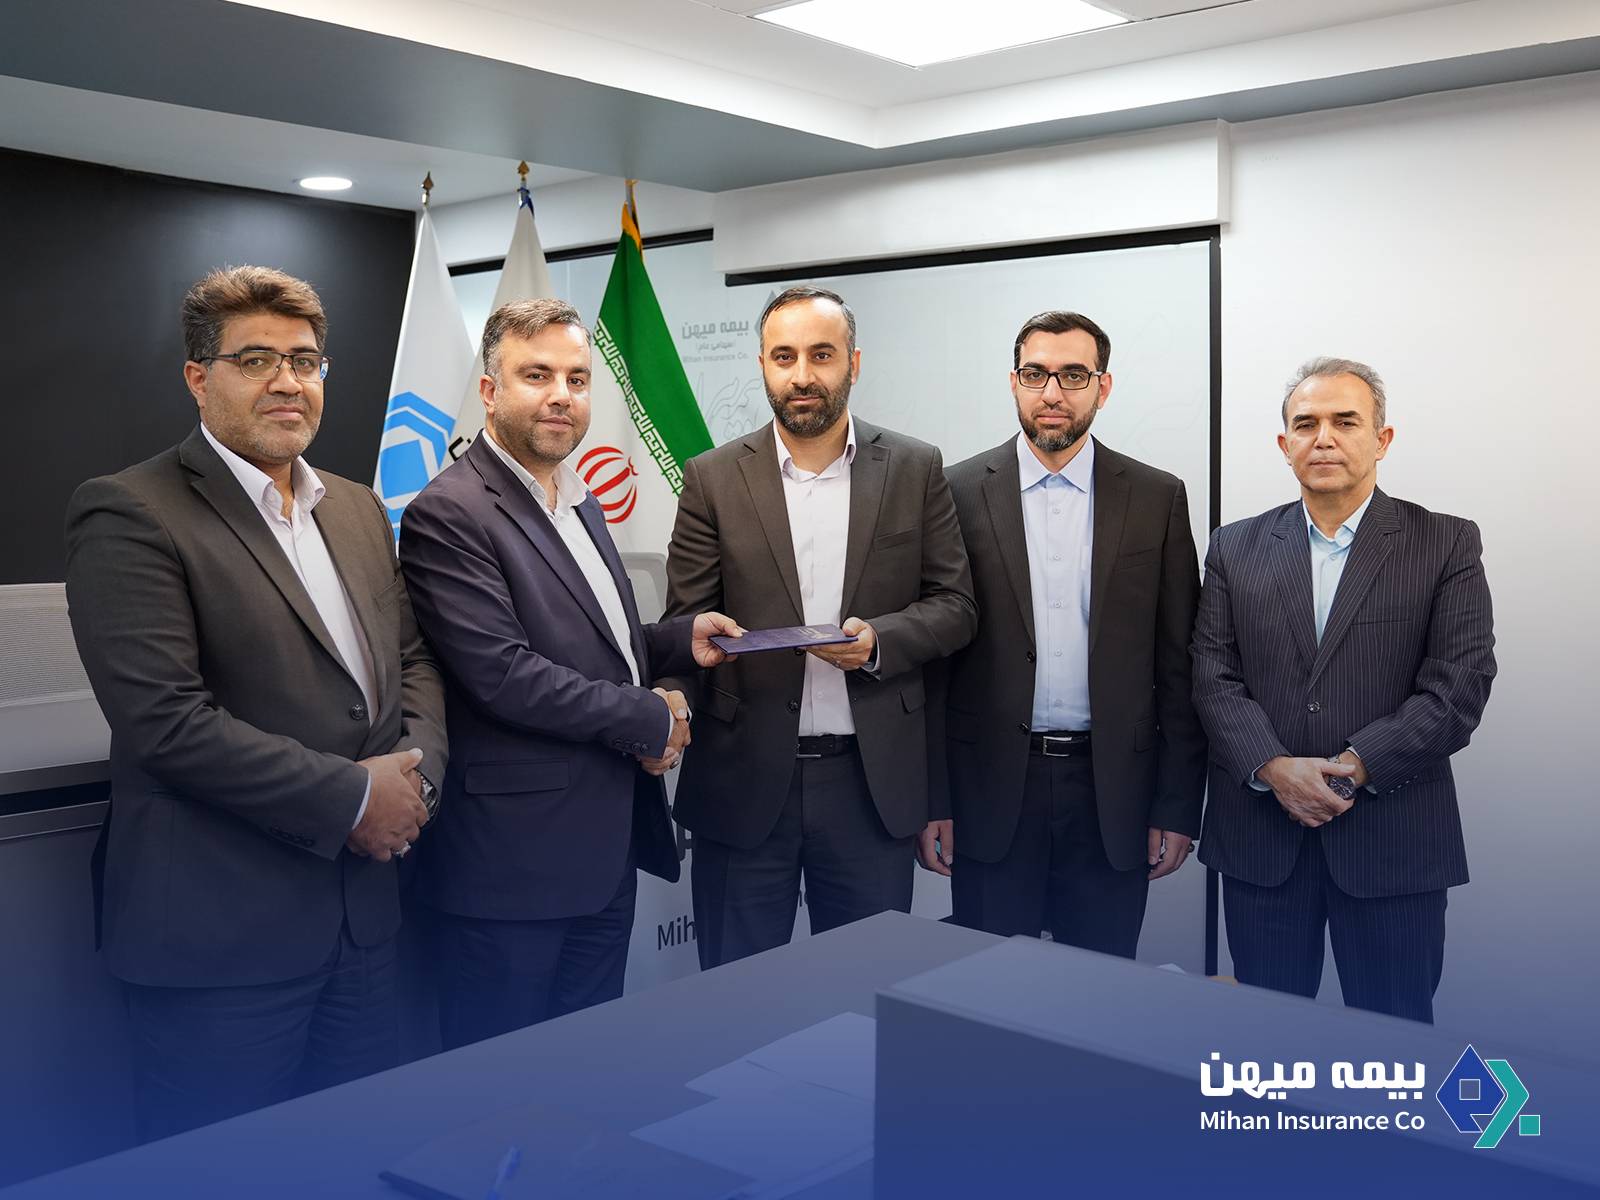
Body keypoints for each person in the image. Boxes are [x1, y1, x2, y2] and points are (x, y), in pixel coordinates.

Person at [63, 265, 448, 1140]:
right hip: (221, 943)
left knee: (360, 1156)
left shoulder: (357, 509)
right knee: (221, 1174)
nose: (287, 381)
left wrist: (416, 782)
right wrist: (353, 799)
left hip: (363, 926)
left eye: (305, 361)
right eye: (256, 360)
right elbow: (166, 723)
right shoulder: (130, 511)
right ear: (199, 379)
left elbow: (415, 660)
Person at [398, 299, 741, 1047]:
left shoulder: (580, 502)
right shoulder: (449, 513)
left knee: (583, 1071)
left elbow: (594, 645)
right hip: (510, 869)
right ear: (489, 392)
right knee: (498, 1087)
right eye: (537, 375)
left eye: (578, 379)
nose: (562, 395)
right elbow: (503, 673)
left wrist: (677, 641)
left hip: (599, 855)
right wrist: (651, 717)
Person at [659, 285, 976, 969]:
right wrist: (676, 694)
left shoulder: (915, 468)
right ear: (763, 366)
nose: (802, 375)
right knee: (736, 1001)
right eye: (784, 357)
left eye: (821, 355)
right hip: (742, 786)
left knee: (863, 993)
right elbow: (683, 625)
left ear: (853, 364)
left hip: (869, 785)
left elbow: (955, 605)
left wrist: (880, 642)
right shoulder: (711, 478)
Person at [1191, 356, 1496, 1022]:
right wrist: (1275, 769)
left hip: (1394, 844)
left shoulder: (1444, 542)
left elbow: (1459, 687)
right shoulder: (1234, 547)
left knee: (1395, 1040)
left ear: (1382, 439)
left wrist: (1351, 768)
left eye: (1345, 421)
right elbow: (1212, 676)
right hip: (1262, 843)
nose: (1323, 438)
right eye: (1306, 424)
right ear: (1285, 444)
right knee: (1265, 1038)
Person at [935, 311, 1206, 957]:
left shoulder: (1156, 497)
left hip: (1113, 793)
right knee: (988, 991)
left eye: (1074, 375)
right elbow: (934, 664)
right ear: (1014, 383)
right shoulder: (955, 493)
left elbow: (1179, 665)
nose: (1052, 392)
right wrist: (932, 799)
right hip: (989, 791)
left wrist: (1174, 806)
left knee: (1100, 992)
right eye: (1036, 374)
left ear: (1102, 388)